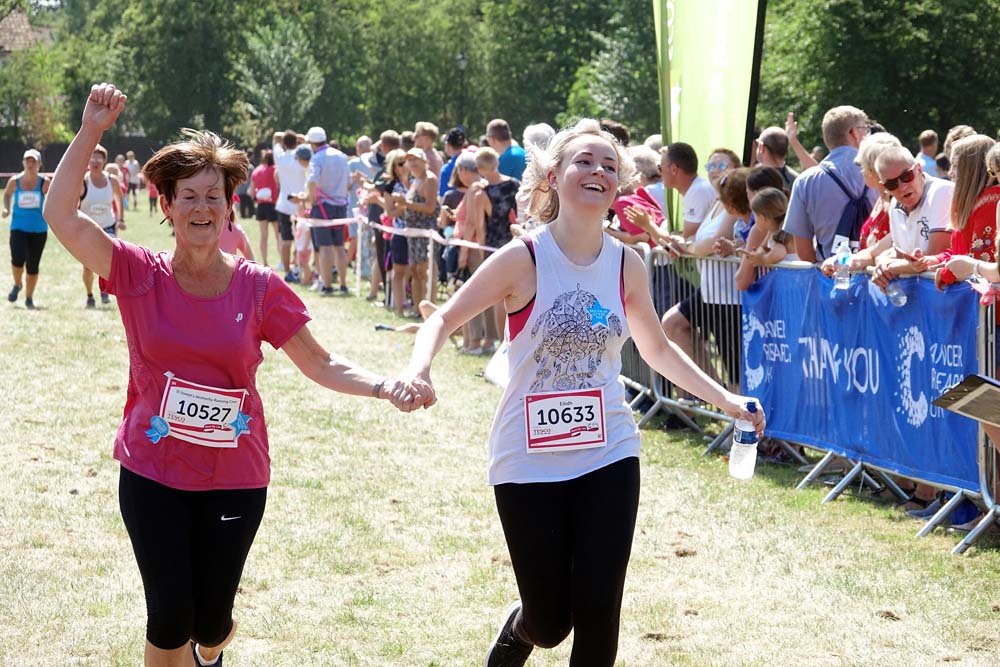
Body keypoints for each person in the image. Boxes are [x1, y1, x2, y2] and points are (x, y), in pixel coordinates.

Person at [42, 82, 415, 667]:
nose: (201, 208)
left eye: (212, 196)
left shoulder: (259, 287)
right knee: (168, 618)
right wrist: (91, 129)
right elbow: (59, 215)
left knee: (208, 623)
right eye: (187, 196)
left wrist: (383, 384)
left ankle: (213, 640)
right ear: (166, 206)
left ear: (229, 205)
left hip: (233, 474)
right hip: (154, 468)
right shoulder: (137, 272)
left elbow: (319, 362)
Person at [397, 118, 764, 667]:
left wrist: (728, 401)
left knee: (598, 613)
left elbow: (659, 349)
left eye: (609, 166)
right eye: (584, 162)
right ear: (553, 176)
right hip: (528, 458)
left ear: (619, 186)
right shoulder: (523, 258)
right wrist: (421, 369)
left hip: (608, 449)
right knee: (549, 622)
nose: (598, 172)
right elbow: (442, 319)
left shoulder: (626, 264)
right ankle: (520, 630)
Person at [784, 105, 876, 262]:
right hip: (876, 278)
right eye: (865, 129)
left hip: (829, 278)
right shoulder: (880, 172)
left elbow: (803, 249)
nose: (868, 134)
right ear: (853, 133)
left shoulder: (805, 182)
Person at [304, 126, 351, 295]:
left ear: (311, 143)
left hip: (323, 206)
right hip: (340, 205)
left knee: (325, 247)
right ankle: (344, 284)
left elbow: (312, 181)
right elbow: (349, 182)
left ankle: (327, 285)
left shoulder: (317, 158)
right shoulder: (341, 156)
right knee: (339, 246)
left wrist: (312, 200)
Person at [3, 148, 50, 309]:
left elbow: (52, 199)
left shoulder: (44, 182)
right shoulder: (14, 181)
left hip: (39, 229)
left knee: (32, 265)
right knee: (17, 259)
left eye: (34, 161)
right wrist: (6, 209)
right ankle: (17, 284)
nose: (30, 164)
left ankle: (29, 298)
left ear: (39, 164)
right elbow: (7, 194)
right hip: (18, 227)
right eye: (27, 161)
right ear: (23, 163)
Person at [80, 143, 125, 307]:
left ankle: (104, 291)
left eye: (99, 158)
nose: (95, 161)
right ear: (88, 161)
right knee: (88, 267)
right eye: (92, 158)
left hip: (108, 226)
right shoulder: (82, 181)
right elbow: (73, 203)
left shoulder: (111, 181)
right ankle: (90, 294)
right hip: (87, 228)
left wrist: (121, 220)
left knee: (108, 261)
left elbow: (119, 199)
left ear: (104, 161)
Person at [396, 147, 440, 306]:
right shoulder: (414, 181)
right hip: (413, 232)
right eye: (410, 160)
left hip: (425, 232)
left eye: (416, 159)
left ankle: (429, 307)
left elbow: (430, 207)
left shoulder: (430, 179)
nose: (412, 163)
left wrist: (405, 203)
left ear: (424, 162)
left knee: (425, 271)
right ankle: (417, 307)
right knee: (414, 270)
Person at [273, 130, 305, 282]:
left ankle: (287, 271)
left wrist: (281, 139)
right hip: (301, 204)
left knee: (286, 240)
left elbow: (275, 137)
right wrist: (300, 138)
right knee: (302, 240)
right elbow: (307, 143)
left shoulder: (280, 157)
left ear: (284, 143)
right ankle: (298, 267)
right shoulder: (302, 157)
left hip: (284, 204)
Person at [249, 149, 279, 267]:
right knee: (278, 235)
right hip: (274, 205)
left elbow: (251, 192)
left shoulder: (256, 171)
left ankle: (265, 262)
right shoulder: (276, 169)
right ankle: (282, 260)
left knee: (263, 235)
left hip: (261, 206)